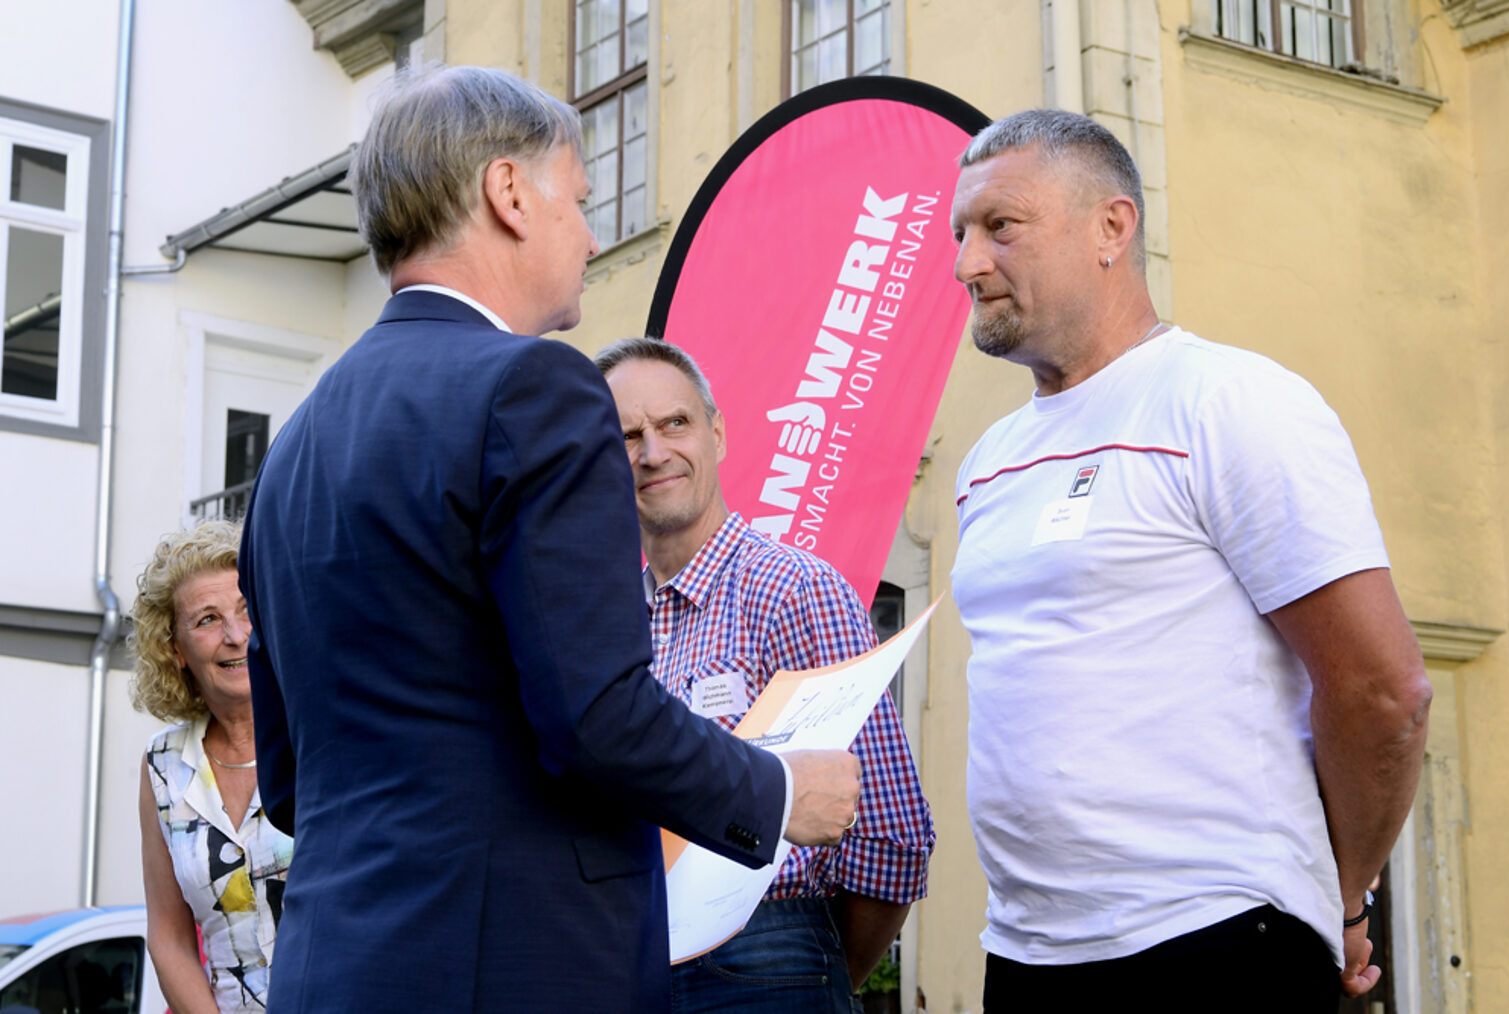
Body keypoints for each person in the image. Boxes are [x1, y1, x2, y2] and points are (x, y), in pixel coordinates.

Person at [237, 65, 860, 1014]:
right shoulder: (534, 386)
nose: (592, 233)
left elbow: (287, 778)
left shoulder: (294, 446)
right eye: (579, 196)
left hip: (333, 967)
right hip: (517, 967)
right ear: (510, 194)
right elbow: (597, 716)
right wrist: (776, 795)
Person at [947, 109, 1432, 1012]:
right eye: (961, 233)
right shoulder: (987, 464)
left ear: (1111, 228)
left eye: (1000, 226)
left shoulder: (1229, 402)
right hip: (1026, 952)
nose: (968, 262)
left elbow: (1381, 691)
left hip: (1215, 936)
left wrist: (1345, 893)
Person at [595, 337, 936, 1013]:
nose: (652, 451)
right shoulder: (601, 625)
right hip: (625, 963)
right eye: (627, 434)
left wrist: (807, 970)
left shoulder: (795, 591)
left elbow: (894, 835)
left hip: (766, 960)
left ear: (716, 435)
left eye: (674, 424)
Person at [129, 520, 292, 1014]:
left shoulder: (317, 735)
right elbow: (170, 939)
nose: (235, 635)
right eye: (207, 620)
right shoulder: (163, 765)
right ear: (175, 650)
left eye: (247, 611)